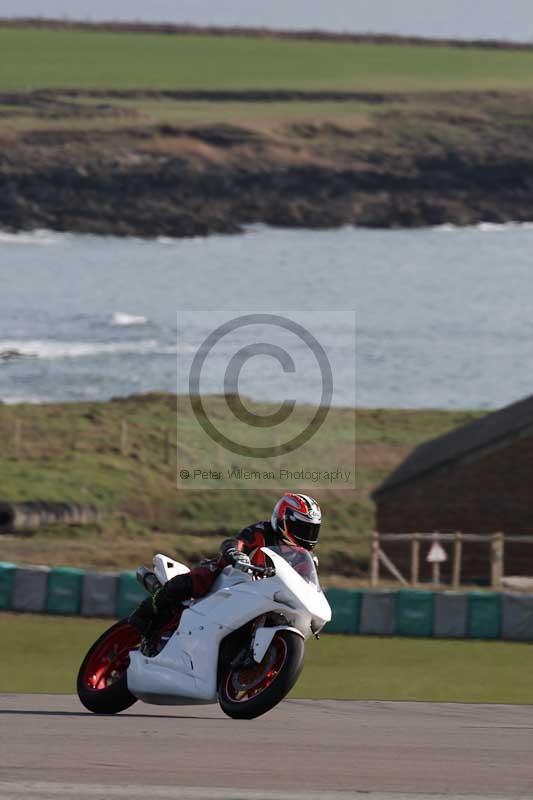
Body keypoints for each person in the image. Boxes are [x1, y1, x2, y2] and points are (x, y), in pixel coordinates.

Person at [129, 492, 322, 636]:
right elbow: (237, 543)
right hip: (234, 577)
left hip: (265, 595)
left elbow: (306, 586)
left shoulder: (304, 559)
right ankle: (147, 610)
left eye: (312, 530)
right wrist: (235, 554)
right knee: (199, 579)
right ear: (283, 520)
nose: (307, 536)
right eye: (303, 528)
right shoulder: (262, 531)